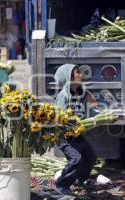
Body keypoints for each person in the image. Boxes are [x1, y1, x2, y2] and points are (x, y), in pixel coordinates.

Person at [53, 64, 98, 196]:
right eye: (78, 73)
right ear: (69, 76)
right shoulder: (63, 96)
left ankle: (80, 180)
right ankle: (61, 184)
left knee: (90, 157)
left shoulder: (81, 93)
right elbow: (59, 119)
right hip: (64, 136)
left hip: (77, 135)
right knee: (76, 159)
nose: (81, 75)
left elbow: (95, 106)